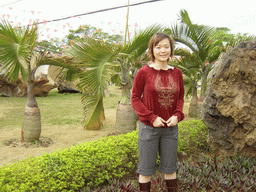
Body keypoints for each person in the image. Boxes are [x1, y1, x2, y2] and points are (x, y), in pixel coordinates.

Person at [131, 33, 184, 192]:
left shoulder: (177, 73)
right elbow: (135, 98)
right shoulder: (144, 72)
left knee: (170, 169)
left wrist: (177, 115)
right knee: (145, 170)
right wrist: (151, 117)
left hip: (170, 129)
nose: (163, 50)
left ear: (171, 50)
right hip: (149, 129)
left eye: (166, 47)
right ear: (152, 50)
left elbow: (180, 97)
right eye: (158, 47)